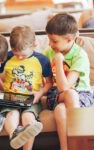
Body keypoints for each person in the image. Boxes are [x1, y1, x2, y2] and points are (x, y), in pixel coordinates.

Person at [0, 25, 53, 150]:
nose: (19, 57)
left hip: (31, 99)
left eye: (23, 55)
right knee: (12, 115)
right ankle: (14, 136)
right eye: (16, 54)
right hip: (10, 98)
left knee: (28, 118)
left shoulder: (42, 60)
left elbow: (50, 82)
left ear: (34, 45)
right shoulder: (7, 56)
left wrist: (40, 93)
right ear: (12, 48)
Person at [44, 13, 94, 150]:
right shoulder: (48, 53)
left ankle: (66, 147)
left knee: (61, 110)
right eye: (49, 40)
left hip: (82, 94)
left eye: (54, 41)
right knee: (69, 95)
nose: (50, 44)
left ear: (69, 39)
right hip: (56, 95)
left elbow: (65, 87)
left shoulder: (80, 56)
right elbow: (55, 87)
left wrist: (59, 62)